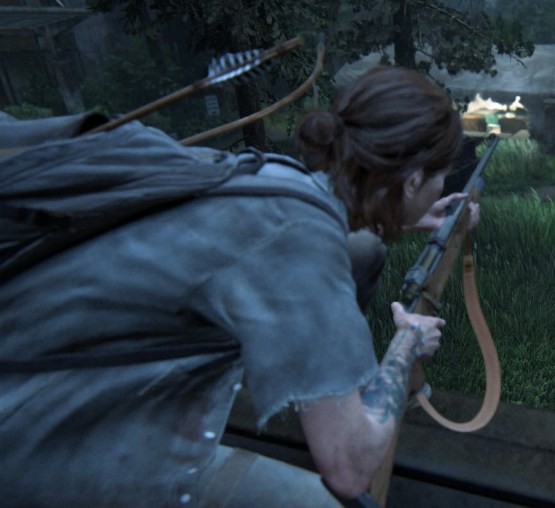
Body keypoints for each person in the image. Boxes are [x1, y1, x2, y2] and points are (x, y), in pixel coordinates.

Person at [0, 65, 476, 506]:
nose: (439, 188)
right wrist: (405, 345)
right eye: (437, 177)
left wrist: (403, 216)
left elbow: (289, 237)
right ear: (412, 180)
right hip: (49, 443)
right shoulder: (300, 240)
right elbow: (349, 468)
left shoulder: (274, 179)